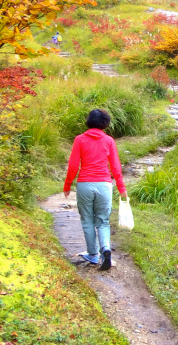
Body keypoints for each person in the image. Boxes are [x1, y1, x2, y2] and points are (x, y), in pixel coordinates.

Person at [63, 109, 126, 270]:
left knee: (87, 220)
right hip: (104, 184)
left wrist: (68, 184)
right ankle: (105, 248)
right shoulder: (109, 140)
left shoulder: (80, 140)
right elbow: (115, 166)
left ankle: (92, 255)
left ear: (89, 121)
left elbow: (73, 165)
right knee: (103, 221)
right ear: (105, 123)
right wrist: (121, 187)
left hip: (85, 184)